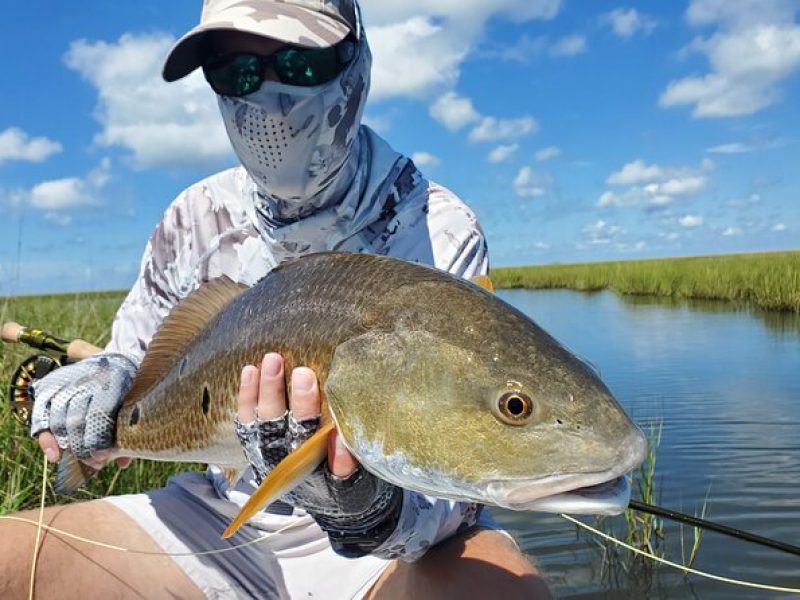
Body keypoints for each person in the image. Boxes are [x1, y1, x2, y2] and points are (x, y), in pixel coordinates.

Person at [0, 1, 553, 598]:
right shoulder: (192, 217)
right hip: (218, 513)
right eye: (234, 72)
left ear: (356, 63)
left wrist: (371, 511)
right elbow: (131, 361)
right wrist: (96, 386)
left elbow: (458, 485)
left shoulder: (435, 227)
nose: (267, 97)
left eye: (300, 62)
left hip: (396, 553)